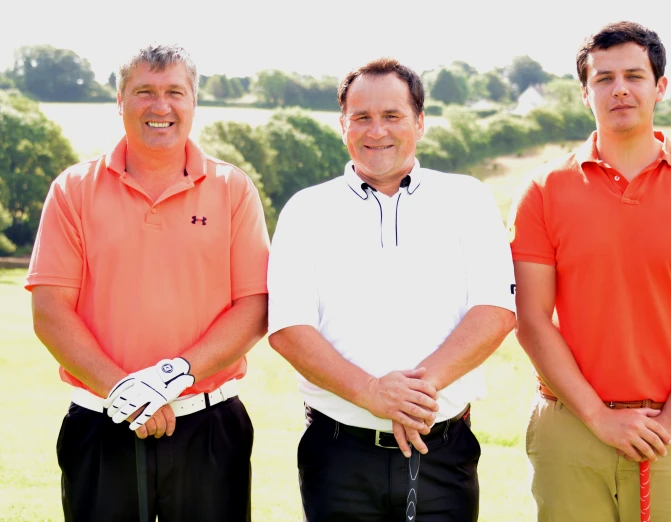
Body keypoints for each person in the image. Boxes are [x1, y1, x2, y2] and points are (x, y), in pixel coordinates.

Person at [509, 21, 671, 521]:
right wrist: (599, 419)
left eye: (634, 76)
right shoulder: (541, 191)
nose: (619, 89)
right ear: (585, 93)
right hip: (569, 427)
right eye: (603, 78)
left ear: (660, 87)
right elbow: (532, 319)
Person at [26, 44, 270, 522]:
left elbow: (254, 307)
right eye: (144, 92)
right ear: (120, 99)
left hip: (209, 423)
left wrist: (166, 380)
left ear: (194, 101)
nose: (161, 106)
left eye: (175, 92)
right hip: (100, 421)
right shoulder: (73, 189)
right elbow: (51, 312)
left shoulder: (233, 188)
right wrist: (125, 391)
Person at [267, 57, 516, 522]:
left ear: (419, 122)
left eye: (392, 116)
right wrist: (371, 393)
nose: (375, 130)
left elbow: (496, 310)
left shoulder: (468, 199)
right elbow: (288, 329)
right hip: (337, 453)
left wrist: (414, 394)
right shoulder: (306, 210)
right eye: (361, 117)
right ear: (343, 124)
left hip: (441, 448)